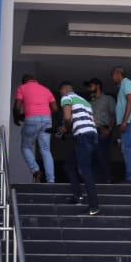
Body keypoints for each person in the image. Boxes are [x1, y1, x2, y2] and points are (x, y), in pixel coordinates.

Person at [59, 81, 100, 216]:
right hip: (92, 135)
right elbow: (92, 120)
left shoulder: (66, 97)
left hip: (83, 137)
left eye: (60, 92)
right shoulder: (86, 102)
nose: (60, 95)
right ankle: (77, 196)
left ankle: (94, 207)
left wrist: (67, 128)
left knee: (85, 170)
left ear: (64, 90)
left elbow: (67, 117)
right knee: (69, 165)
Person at [14, 74, 57, 182]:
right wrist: (45, 115)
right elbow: (55, 108)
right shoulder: (46, 89)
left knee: (26, 147)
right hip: (47, 121)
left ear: (24, 82)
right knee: (46, 150)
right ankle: (51, 180)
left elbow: (17, 107)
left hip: (31, 119)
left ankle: (36, 171)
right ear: (35, 80)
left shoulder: (22, 88)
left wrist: (16, 118)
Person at [111, 66, 131, 184]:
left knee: (127, 149)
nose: (112, 78)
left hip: (129, 123)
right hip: (130, 123)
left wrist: (124, 121)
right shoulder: (124, 85)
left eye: (113, 75)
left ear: (118, 73)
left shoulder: (126, 82)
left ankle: (130, 178)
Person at [86, 78, 115, 182]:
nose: (89, 88)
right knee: (91, 156)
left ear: (97, 86)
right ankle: (94, 182)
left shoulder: (108, 99)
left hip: (103, 130)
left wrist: (109, 129)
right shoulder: (90, 101)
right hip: (90, 132)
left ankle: (107, 181)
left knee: (102, 155)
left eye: (90, 86)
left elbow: (113, 115)